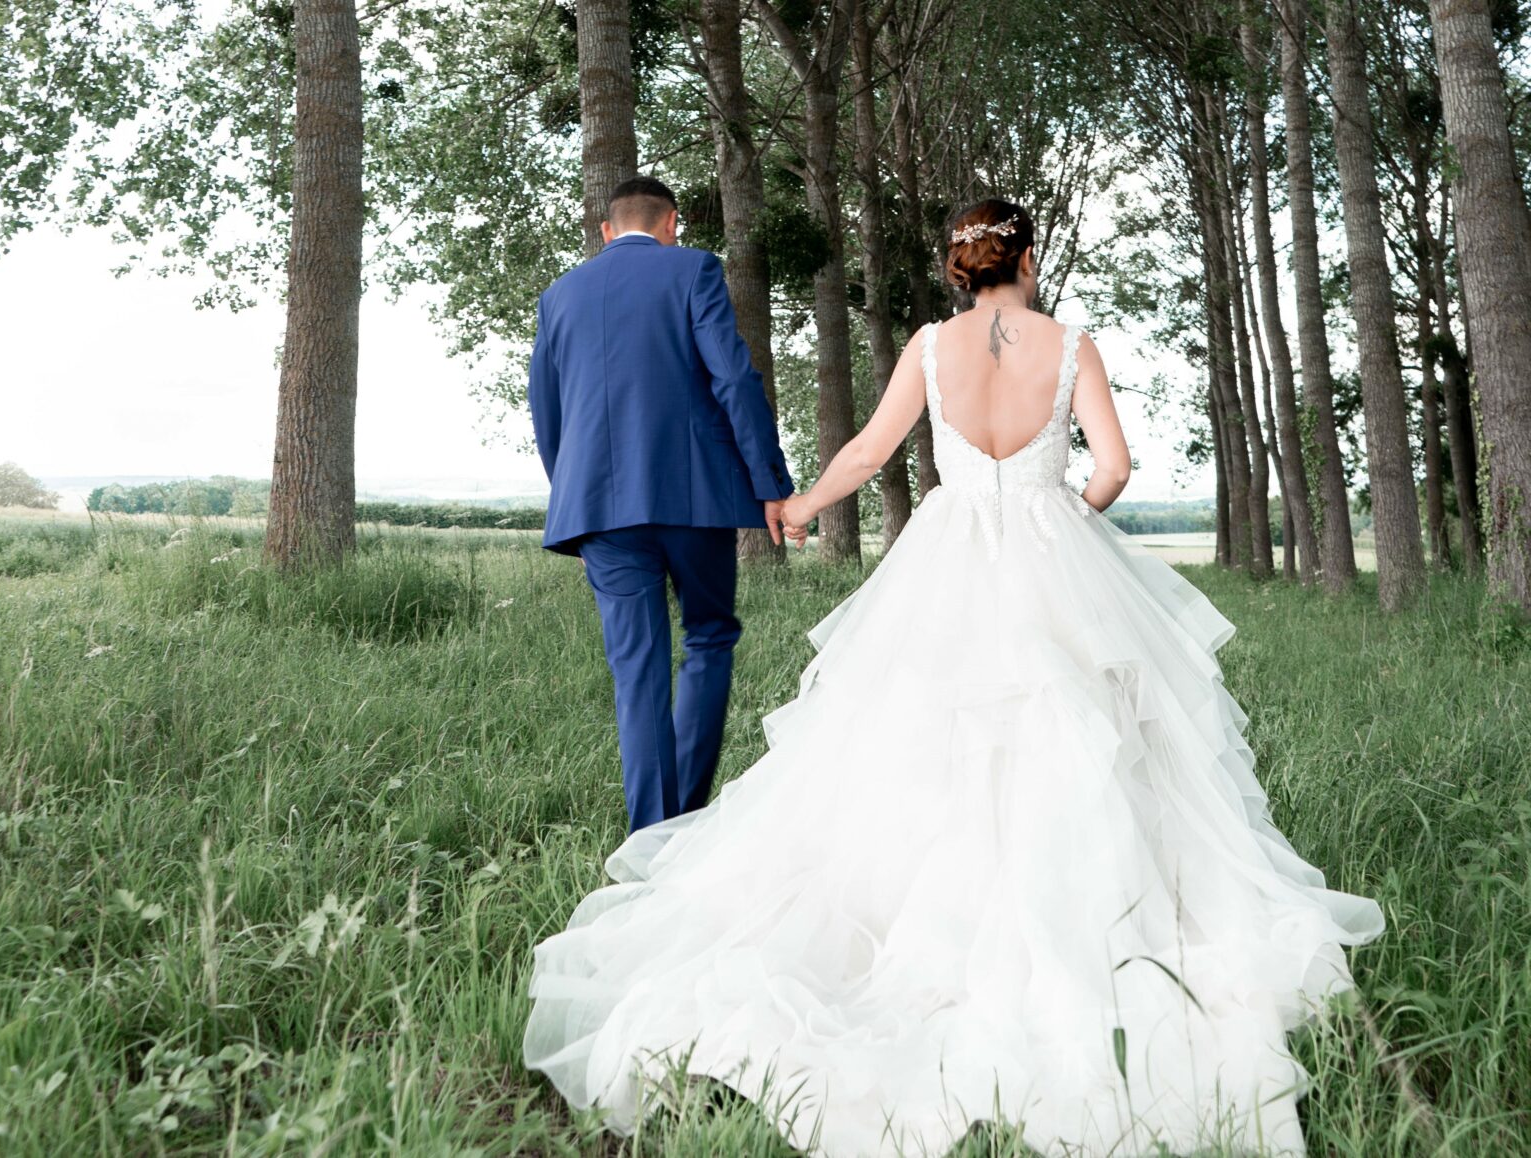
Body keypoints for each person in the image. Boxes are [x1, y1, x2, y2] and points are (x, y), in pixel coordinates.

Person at [522, 197, 1386, 1157]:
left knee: (906, 731)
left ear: (956, 270)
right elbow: (1116, 468)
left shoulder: (930, 347)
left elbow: (867, 451)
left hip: (948, 556)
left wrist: (800, 504)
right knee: (1087, 731)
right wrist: (1072, 513)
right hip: (1055, 555)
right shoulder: (1070, 343)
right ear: (1028, 257)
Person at [527, 175, 794, 833]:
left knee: (635, 671)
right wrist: (771, 485)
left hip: (599, 509)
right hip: (695, 496)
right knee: (709, 635)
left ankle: (650, 834)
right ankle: (686, 820)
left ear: (607, 230)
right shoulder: (694, 270)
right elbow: (733, 376)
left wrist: (578, 514)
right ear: (672, 223)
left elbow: (547, 412)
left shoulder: (558, 296)